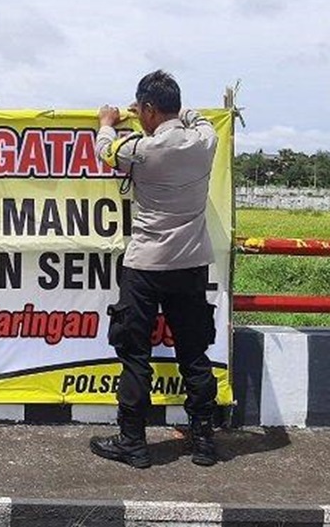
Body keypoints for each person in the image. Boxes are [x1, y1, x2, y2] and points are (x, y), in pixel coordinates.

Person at [89, 70, 219, 468]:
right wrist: (174, 113)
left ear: (146, 109)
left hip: (145, 266)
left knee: (134, 355)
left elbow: (105, 151)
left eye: (142, 110)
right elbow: (199, 120)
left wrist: (106, 123)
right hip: (191, 263)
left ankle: (133, 443)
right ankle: (203, 441)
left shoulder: (140, 150)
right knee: (195, 353)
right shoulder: (204, 141)